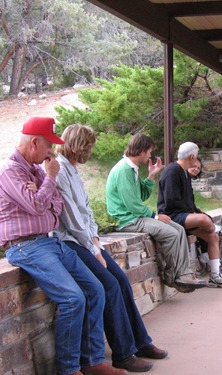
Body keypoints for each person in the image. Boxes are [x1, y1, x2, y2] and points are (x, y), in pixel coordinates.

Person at [0, 117, 125, 375]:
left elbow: (57, 206)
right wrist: (49, 181)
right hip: (26, 247)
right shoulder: (10, 172)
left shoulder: (37, 171)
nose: (51, 152)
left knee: (96, 289)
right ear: (34, 142)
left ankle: (91, 361)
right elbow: (36, 205)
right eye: (48, 146)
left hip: (50, 241)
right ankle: (68, 370)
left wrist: (43, 189)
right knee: (73, 298)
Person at [55, 124, 167, 372]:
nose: (91, 152)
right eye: (89, 146)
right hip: (71, 242)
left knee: (122, 281)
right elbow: (72, 219)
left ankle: (140, 342)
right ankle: (123, 354)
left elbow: (87, 213)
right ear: (79, 145)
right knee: (109, 285)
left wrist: (95, 239)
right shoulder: (59, 171)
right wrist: (94, 249)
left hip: (87, 240)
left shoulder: (72, 170)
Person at [106, 134, 207, 293]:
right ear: (142, 151)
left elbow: (142, 195)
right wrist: (154, 216)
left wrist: (151, 176)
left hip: (136, 216)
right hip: (128, 219)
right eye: (149, 152)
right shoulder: (124, 170)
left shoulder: (132, 168)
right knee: (172, 234)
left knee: (179, 230)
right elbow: (132, 204)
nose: (150, 155)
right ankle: (174, 276)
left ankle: (183, 274)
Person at [157, 141, 222, 289]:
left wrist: (192, 211)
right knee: (202, 219)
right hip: (171, 216)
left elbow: (189, 201)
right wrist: (192, 213)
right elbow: (170, 201)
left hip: (184, 216)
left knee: (211, 236)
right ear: (192, 156)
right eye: (197, 156)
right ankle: (220, 231)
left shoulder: (184, 173)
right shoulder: (172, 171)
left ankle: (215, 276)